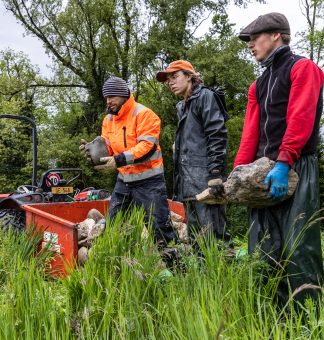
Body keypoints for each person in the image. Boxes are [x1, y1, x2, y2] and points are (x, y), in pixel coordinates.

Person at [234, 12, 324, 311]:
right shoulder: (257, 85)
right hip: (262, 170)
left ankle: (306, 317)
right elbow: (250, 134)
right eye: (247, 40)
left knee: (298, 246)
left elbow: (300, 118)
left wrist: (285, 163)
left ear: (277, 35)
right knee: (262, 248)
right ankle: (270, 315)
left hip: (296, 166)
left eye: (254, 38)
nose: (250, 44)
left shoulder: (303, 68)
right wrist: (237, 174)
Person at [80, 76, 178, 247]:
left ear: (124, 95)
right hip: (124, 180)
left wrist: (117, 160)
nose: (108, 101)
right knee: (113, 222)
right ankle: (121, 263)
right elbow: (108, 148)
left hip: (149, 183)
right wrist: (93, 152)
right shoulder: (108, 120)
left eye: (112, 97)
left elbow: (147, 148)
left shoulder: (145, 115)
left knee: (159, 229)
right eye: (106, 98)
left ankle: (177, 269)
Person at [156, 60, 230, 243]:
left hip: (206, 179)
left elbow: (217, 135)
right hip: (188, 181)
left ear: (190, 76)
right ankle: (202, 272)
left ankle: (222, 271)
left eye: (175, 76)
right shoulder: (182, 106)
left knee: (214, 236)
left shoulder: (206, 97)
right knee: (197, 239)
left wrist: (216, 174)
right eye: (168, 80)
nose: (170, 83)